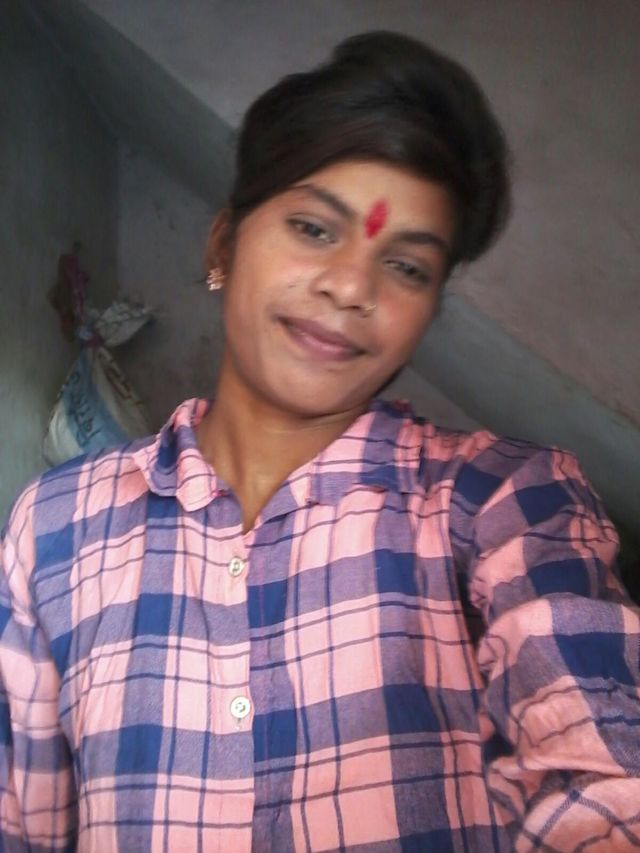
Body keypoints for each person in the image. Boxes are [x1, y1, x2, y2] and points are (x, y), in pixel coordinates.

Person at [1, 30, 638, 853]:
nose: (350, 285)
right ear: (223, 244)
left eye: (407, 267)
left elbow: (605, 780)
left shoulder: (504, 501)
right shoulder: (52, 529)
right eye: (312, 227)